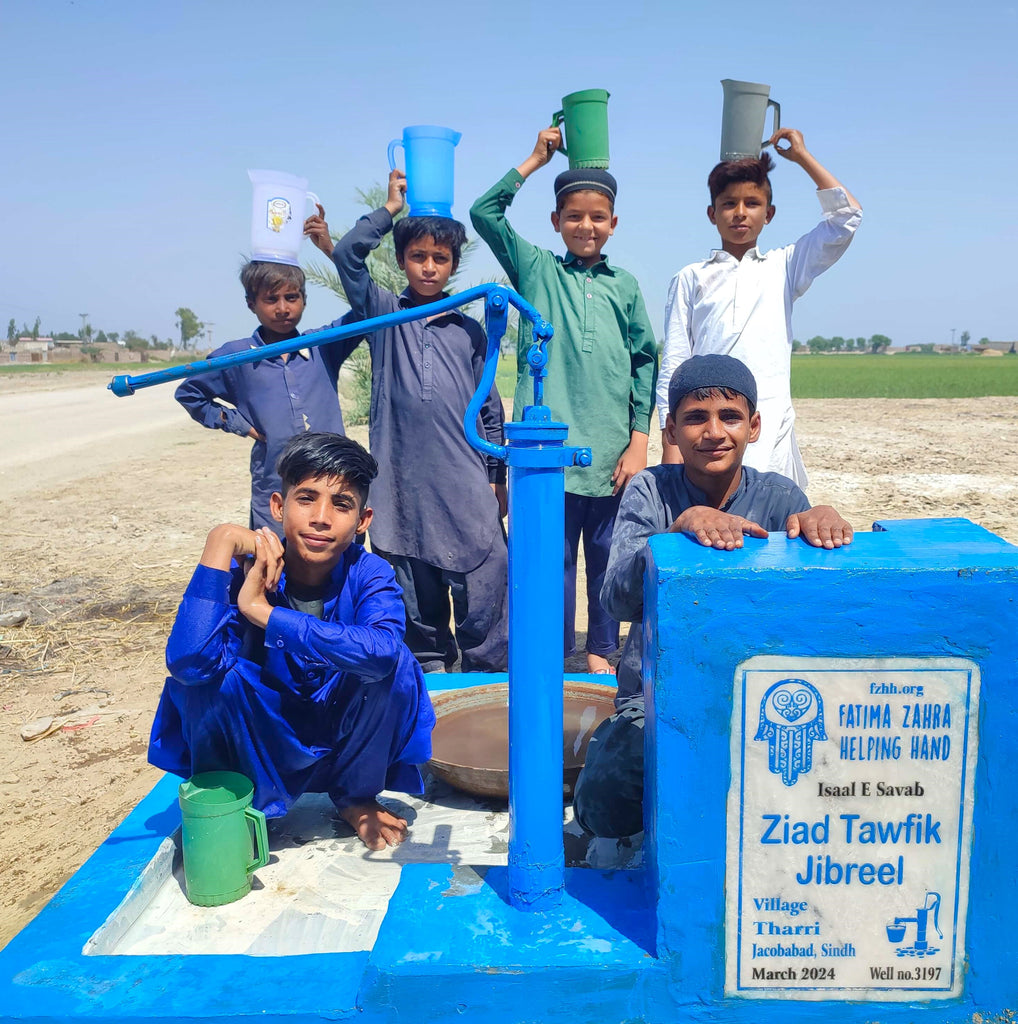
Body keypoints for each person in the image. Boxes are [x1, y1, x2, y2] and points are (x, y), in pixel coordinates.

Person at [573, 355, 853, 838]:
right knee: (602, 809)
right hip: (655, 695)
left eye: (730, 417)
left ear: (754, 426)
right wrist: (674, 535)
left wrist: (821, 523)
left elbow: (808, 612)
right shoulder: (650, 491)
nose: (714, 432)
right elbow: (615, 601)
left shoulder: (780, 497)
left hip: (757, 693)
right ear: (671, 430)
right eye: (696, 418)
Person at [148, 432, 435, 850]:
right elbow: (189, 664)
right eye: (306, 499)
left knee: (396, 664)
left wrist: (264, 613)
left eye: (341, 504)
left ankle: (356, 797)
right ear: (278, 507)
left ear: (363, 521)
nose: (321, 518)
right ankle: (236, 805)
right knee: (210, 681)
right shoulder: (246, 570)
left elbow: (382, 653)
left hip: (343, 738)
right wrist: (220, 541)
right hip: (264, 740)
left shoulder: (369, 572)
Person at [470, 127, 658, 674]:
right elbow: (484, 213)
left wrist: (639, 441)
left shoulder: (625, 286)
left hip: (610, 454)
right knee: (550, 562)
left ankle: (601, 650)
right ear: (555, 221)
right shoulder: (537, 269)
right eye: (573, 216)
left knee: (606, 558)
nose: (585, 226)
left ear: (614, 223)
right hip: (544, 452)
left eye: (597, 217)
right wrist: (535, 159)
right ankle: (553, 653)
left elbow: (645, 362)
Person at [304, 172, 508, 674]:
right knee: (414, 592)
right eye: (418, 256)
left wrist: (496, 476)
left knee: (485, 575)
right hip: (401, 483)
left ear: (453, 264)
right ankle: (432, 676)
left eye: (440, 258)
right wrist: (391, 207)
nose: (429, 267)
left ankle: (485, 677)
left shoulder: (469, 330)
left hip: (463, 482)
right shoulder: (383, 314)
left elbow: (489, 408)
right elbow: (348, 254)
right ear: (401, 261)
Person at [658, 128, 862, 488]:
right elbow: (674, 361)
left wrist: (802, 157)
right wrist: (670, 443)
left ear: (769, 213)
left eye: (752, 203)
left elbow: (846, 219)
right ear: (712, 213)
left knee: (772, 511)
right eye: (728, 204)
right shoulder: (691, 277)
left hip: (768, 425)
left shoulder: (784, 266)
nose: (740, 213)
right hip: (710, 428)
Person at [175, 256, 362, 536]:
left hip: (333, 477)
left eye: (291, 297)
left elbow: (364, 309)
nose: (283, 308)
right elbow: (190, 393)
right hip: (275, 481)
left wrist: (331, 250)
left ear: (304, 300)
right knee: (274, 552)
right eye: (271, 299)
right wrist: (239, 423)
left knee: (336, 549)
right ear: (251, 303)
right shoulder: (237, 357)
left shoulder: (323, 345)